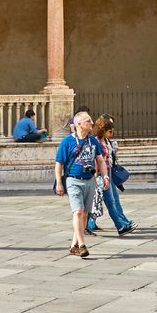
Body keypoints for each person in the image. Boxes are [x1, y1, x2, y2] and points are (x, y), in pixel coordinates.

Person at [54, 110, 107, 258]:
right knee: (77, 211)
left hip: (90, 180)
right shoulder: (67, 141)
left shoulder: (93, 141)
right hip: (73, 180)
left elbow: (100, 161)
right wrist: (59, 183)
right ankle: (82, 245)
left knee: (84, 214)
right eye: (88, 121)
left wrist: (106, 176)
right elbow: (59, 164)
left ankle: (74, 245)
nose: (92, 123)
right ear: (78, 124)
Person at [86, 115, 135, 237]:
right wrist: (98, 176)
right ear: (104, 130)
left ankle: (120, 226)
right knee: (98, 202)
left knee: (110, 201)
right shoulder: (95, 141)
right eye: (110, 131)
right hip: (100, 174)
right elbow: (96, 160)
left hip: (107, 172)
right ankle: (119, 226)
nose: (112, 133)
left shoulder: (105, 141)